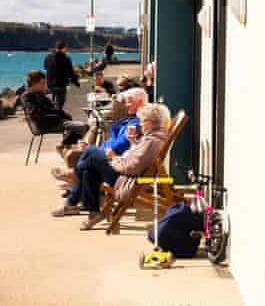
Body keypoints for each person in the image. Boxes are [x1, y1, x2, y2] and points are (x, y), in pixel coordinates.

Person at [53, 103, 169, 231]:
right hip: (125, 174)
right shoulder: (153, 137)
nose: (140, 124)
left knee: (91, 153)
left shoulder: (152, 140)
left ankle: (75, 184)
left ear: (150, 122)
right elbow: (137, 158)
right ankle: (87, 206)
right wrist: (132, 142)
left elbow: (133, 167)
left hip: (125, 179)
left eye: (142, 121)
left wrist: (114, 159)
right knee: (88, 167)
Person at [21, 70, 87, 146]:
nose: (44, 85)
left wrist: (60, 113)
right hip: (45, 124)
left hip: (54, 121)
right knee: (83, 127)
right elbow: (34, 113)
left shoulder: (39, 94)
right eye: (42, 83)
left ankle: (66, 146)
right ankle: (64, 146)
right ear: (34, 83)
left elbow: (52, 108)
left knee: (78, 127)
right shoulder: (27, 96)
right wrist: (56, 114)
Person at [43, 41, 79, 113]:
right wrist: (76, 83)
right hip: (61, 84)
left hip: (50, 83)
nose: (67, 50)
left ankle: (52, 113)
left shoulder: (47, 57)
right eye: (66, 48)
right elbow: (71, 73)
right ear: (64, 48)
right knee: (60, 103)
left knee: (53, 101)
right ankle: (56, 118)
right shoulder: (66, 59)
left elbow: (45, 67)